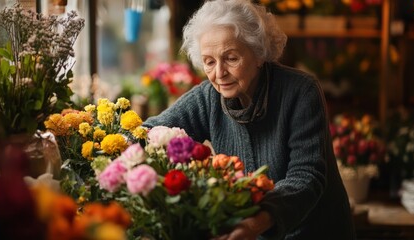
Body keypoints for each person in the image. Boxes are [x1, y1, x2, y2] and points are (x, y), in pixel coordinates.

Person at [143, 0, 355, 239]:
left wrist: (253, 225)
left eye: (231, 58)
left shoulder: (301, 92)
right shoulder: (208, 97)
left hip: (314, 231)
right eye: (209, 62)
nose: (219, 73)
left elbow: (307, 176)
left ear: (258, 53)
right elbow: (150, 132)